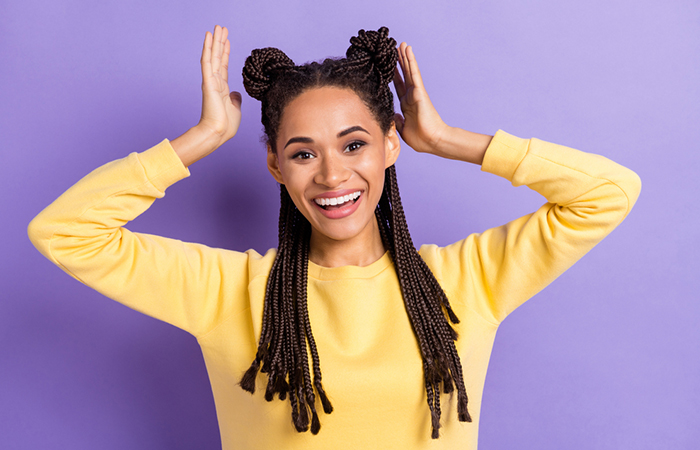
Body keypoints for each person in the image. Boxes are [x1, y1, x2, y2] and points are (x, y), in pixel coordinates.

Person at [28, 25, 641, 449]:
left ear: (390, 145)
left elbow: (609, 193)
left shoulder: (467, 280)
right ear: (274, 165)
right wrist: (203, 138)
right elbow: (64, 232)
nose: (332, 175)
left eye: (354, 144)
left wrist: (450, 139)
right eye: (302, 153)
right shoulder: (226, 290)